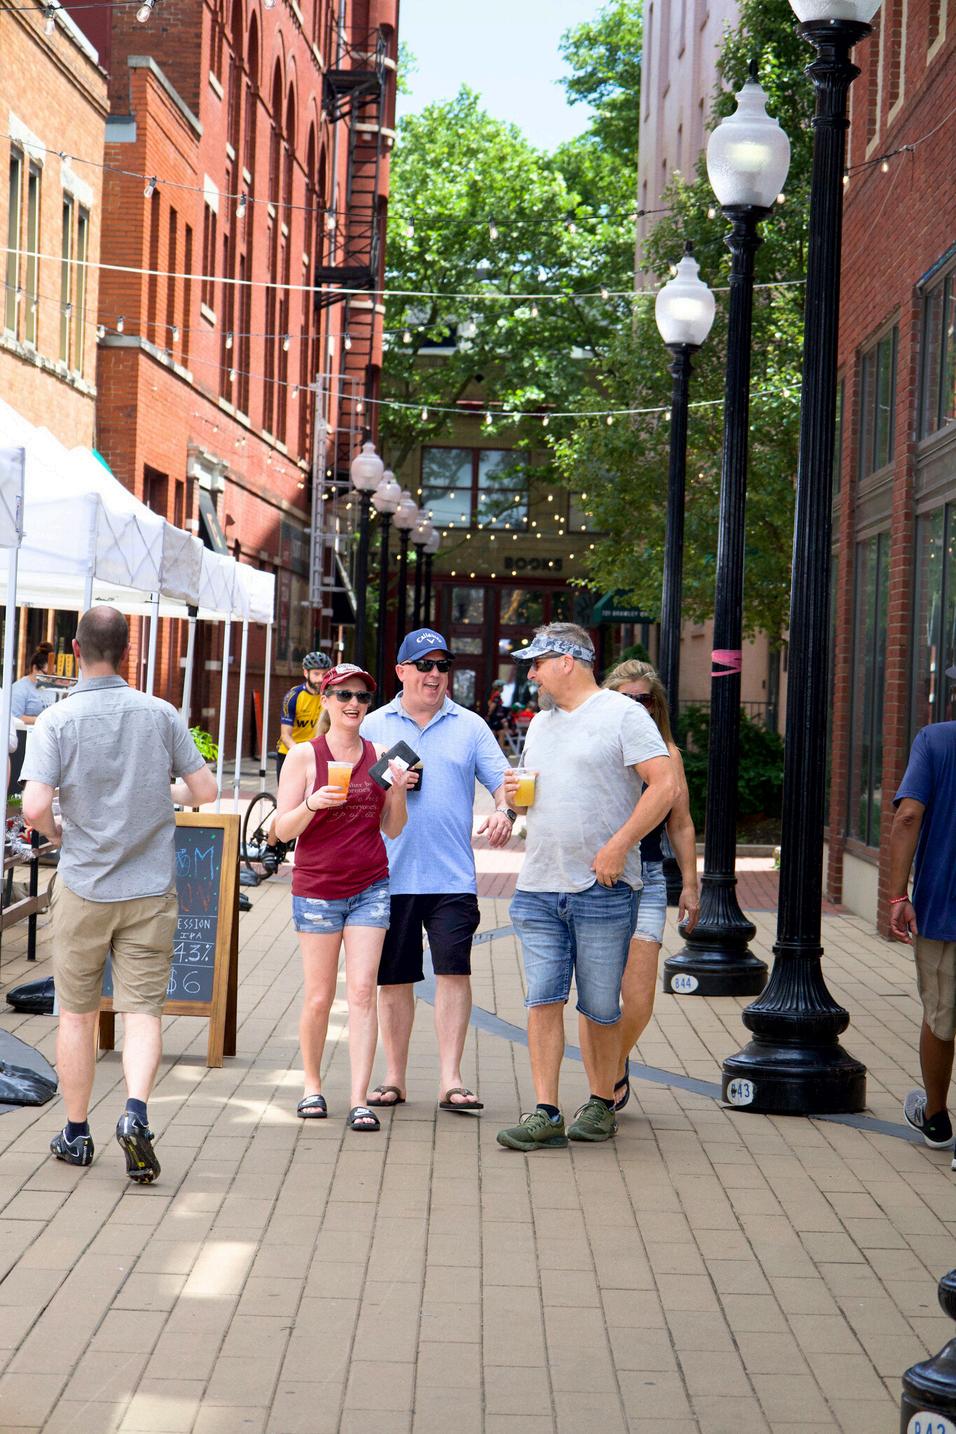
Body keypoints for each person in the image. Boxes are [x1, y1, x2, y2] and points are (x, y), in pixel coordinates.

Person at [20, 606, 218, 1181]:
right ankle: (135, 1114)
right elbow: (204, 790)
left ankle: (76, 1133)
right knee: (143, 1013)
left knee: (76, 1016)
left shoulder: (57, 719)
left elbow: (33, 807)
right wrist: (160, 793)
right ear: (127, 651)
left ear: (76, 651)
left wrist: (58, 833)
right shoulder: (160, 714)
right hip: (150, 889)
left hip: (84, 885)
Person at [496, 623, 676, 1152]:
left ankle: (600, 1103)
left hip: (602, 886)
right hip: (538, 885)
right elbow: (535, 798)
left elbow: (665, 785)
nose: (532, 674)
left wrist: (620, 844)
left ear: (567, 662)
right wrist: (513, 798)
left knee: (599, 1005)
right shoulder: (540, 724)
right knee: (543, 1000)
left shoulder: (623, 715)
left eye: (537, 664)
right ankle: (546, 1112)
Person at [361, 627, 514, 1112]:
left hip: (452, 877)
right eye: (424, 665)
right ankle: (394, 1077)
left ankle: (451, 1079)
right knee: (394, 979)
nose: (434, 675)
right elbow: (353, 794)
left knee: (454, 972)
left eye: (442, 666)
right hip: (389, 874)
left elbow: (504, 782)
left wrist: (505, 812)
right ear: (401, 671)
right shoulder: (372, 725)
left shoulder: (470, 725)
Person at [275, 663, 414, 1132]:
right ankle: (312, 1086)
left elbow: (392, 828)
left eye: (362, 697)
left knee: (361, 993)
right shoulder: (305, 757)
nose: (354, 704)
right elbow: (280, 830)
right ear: (327, 701)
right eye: (344, 696)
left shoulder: (381, 756)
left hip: (371, 886)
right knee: (319, 996)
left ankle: (359, 1099)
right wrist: (312, 804)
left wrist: (398, 792)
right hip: (317, 888)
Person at [602, 660, 699, 1110]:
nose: (637, 706)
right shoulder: (596, 746)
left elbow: (681, 824)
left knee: (638, 999)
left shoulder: (667, 755)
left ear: (656, 705)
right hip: (597, 877)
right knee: (600, 995)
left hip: (648, 878)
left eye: (644, 699)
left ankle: (612, 1064)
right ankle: (603, 1081)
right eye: (626, 699)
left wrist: (691, 885)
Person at [889, 703, 956, 1157]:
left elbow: (908, 815)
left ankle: (936, 1118)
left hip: (944, 907)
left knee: (940, 1017)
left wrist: (898, 896)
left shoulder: (935, 740)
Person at [262, 650, 331, 874]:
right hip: (290, 753)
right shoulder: (293, 697)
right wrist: (301, 754)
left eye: (324, 674)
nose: (321, 678)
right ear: (306, 673)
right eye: (316, 674)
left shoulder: (329, 696)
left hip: (317, 755)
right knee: (289, 805)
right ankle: (270, 847)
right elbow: (285, 735)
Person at [11, 650, 54, 725]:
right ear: (35, 668)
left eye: (52, 674)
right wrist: (42, 720)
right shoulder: (19, 688)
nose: (49, 678)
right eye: (46, 674)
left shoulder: (50, 687)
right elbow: (15, 717)